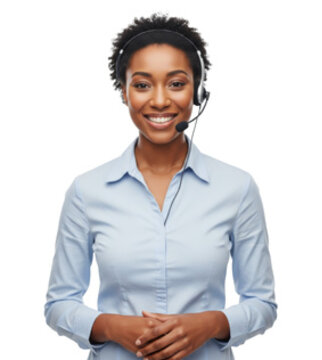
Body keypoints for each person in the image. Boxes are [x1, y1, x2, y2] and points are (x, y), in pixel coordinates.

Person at [44, 14, 277, 360]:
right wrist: (110, 326)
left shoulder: (237, 188)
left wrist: (212, 323)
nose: (159, 101)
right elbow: (58, 304)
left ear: (198, 92)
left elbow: (263, 303)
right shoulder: (87, 191)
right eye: (142, 85)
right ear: (124, 93)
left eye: (176, 83)